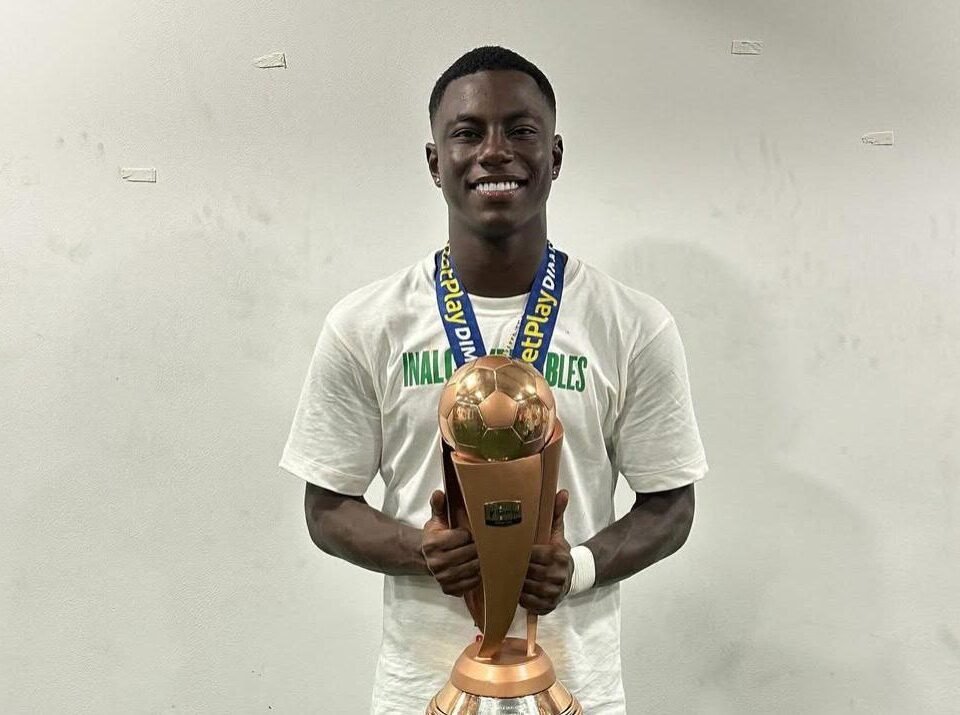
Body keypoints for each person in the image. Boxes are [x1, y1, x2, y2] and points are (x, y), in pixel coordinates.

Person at [279, 45, 708, 714]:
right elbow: (326, 507)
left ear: (555, 156)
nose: (495, 151)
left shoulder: (632, 324)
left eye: (521, 130)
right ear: (435, 162)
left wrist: (580, 566)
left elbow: (671, 504)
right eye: (468, 132)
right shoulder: (366, 324)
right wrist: (421, 549)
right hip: (420, 693)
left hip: (577, 691)